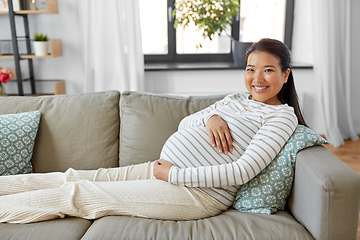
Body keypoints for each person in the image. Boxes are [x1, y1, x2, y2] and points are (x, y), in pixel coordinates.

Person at [0, 38, 306, 223]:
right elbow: (184, 123)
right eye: (250, 69)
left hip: (196, 194)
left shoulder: (281, 117)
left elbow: (242, 171)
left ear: (285, 74)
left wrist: (173, 175)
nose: (257, 78)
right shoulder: (235, 99)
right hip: (166, 171)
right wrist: (211, 118)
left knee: (82, 194)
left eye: (268, 70)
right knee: (75, 176)